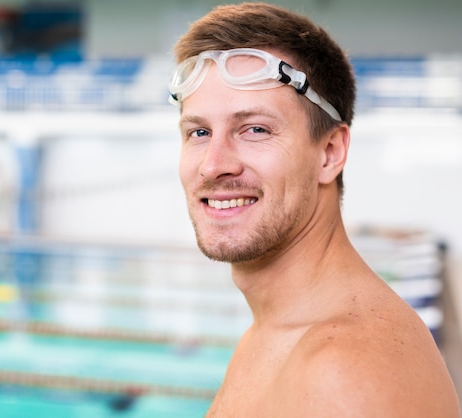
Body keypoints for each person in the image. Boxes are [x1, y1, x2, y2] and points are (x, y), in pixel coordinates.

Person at [169, 3, 460, 417]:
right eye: (199, 132)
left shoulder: (343, 370)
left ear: (329, 152)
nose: (214, 164)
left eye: (255, 129)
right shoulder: (276, 332)